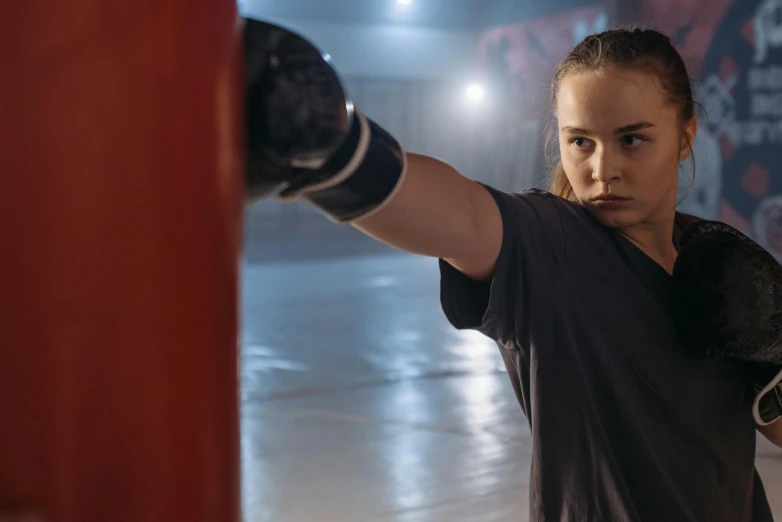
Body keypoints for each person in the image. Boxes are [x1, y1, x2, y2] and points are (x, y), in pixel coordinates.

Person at [245, 21, 782, 521]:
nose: (602, 169)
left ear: (685, 137)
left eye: (632, 139)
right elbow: (462, 215)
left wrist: (772, 349)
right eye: (581, 142)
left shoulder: (718, 262)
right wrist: (336, 152)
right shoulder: (555, 247)